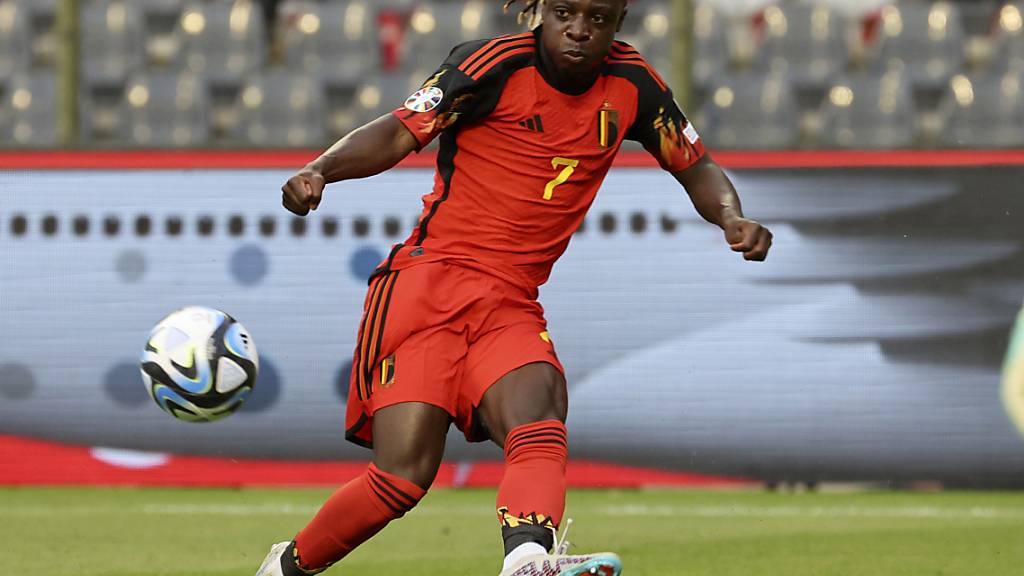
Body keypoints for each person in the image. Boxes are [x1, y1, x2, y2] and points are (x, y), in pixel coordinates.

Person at [257, 0, 772, 575]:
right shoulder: (492, 65)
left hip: (510, 300)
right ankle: (283, 570)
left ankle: (527, 560)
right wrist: (320, 170)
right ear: (541, 11)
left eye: (597, 19)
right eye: (565, 13)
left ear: (618, 22)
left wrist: (731, 217)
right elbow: (400, 131)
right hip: (429, 285)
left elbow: (694, 163)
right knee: (403, 476)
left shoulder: (634, 85)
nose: (579, 31)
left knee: (540, 410)